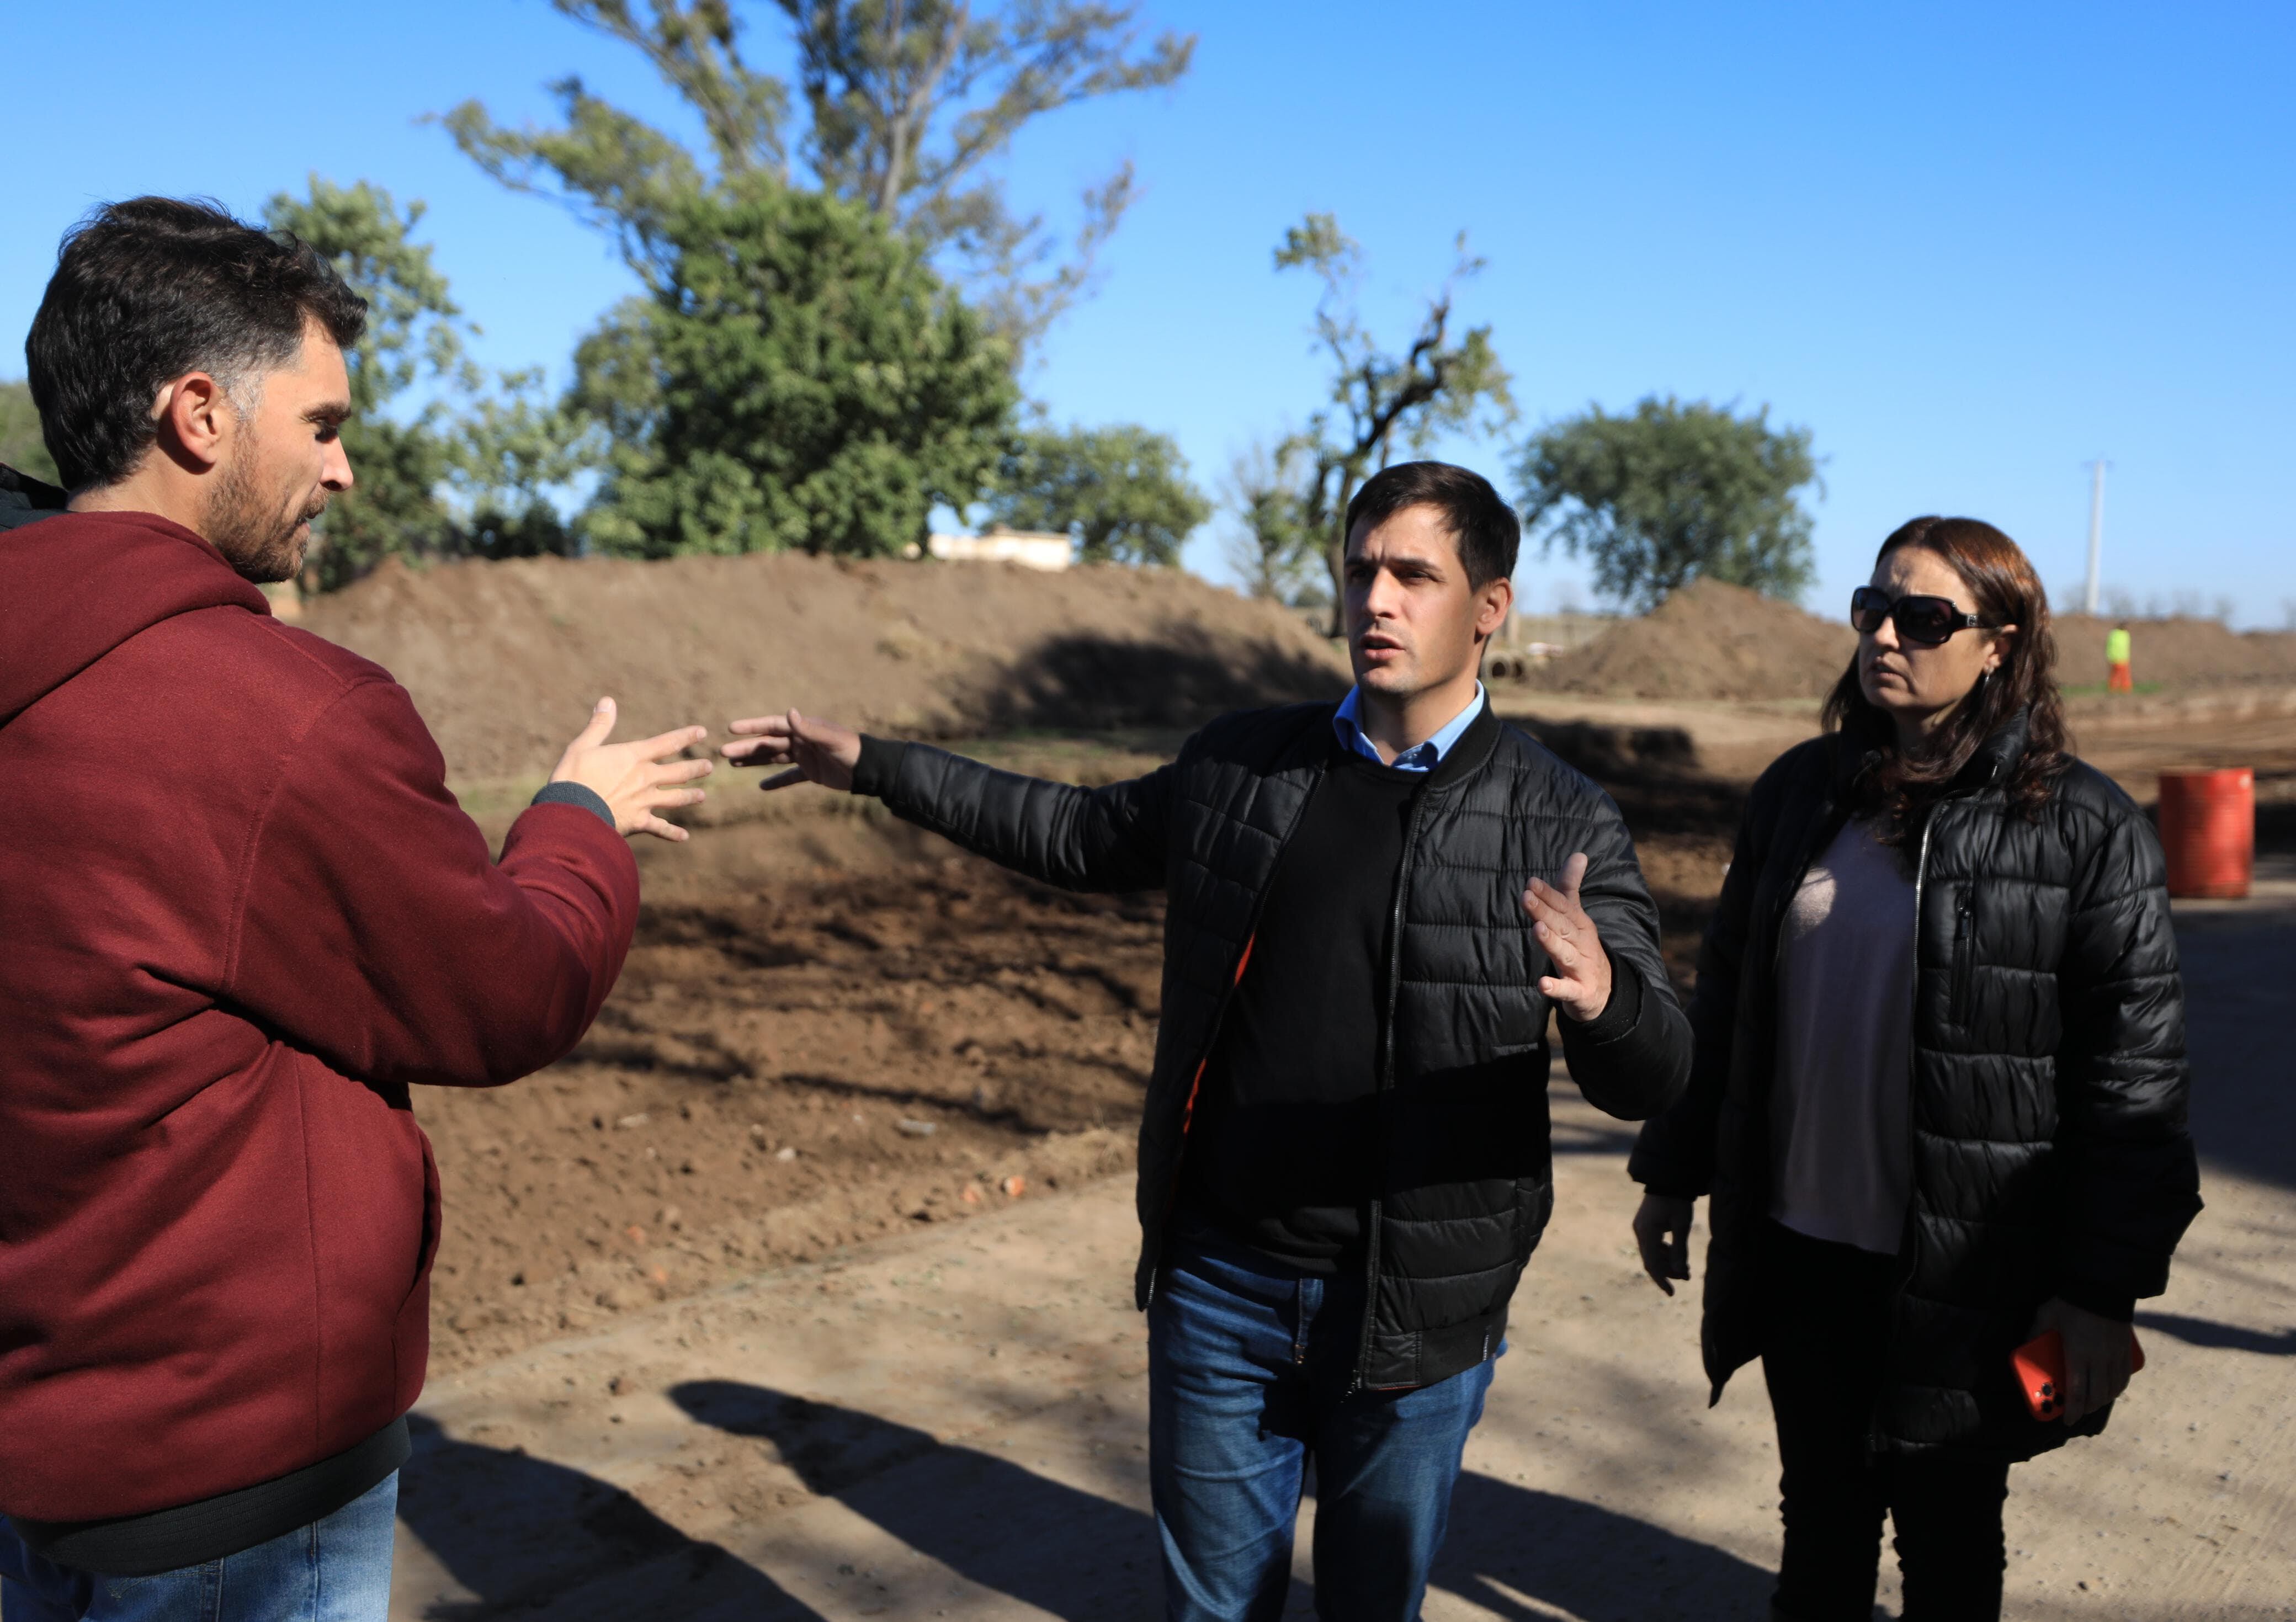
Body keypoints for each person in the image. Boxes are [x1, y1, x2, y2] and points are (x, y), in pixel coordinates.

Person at [726, 461, 1694, 1621]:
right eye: (1359, 572)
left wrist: (1603, 998)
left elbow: (1656, 1068)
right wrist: (880, 768)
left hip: (1413, 1316)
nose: (1375, 600)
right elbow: (1074, 832)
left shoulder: (1561, 814)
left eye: (1413, 575)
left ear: (1489, 605)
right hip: (1220, 1284)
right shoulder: (1247, 763)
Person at [0, 198, 714, 1621]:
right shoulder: (279, 716)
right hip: (230, 1478)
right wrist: (575, 823)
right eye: (321, 423)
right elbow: (501, 987)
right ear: (198, 413)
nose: (344, 467)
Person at [1626, 517, 2201, 1621]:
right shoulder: (1800, 791)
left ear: (1999, 642)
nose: (1885, 634)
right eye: (1871, 608)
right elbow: (1729, 998)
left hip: (1966, 1267)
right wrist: (1673, 1168)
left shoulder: (2083, 826)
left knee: (1947, 1541)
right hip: (1803, 1250)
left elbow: (2135, 1080)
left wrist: (2095, 1289)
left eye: (1923, 617)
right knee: (1821, 1526)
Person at [2106, 620, 2134, 693]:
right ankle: (2124, 689)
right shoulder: (2125, 635)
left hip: (2116, 658)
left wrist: (2110, 656)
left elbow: (2109, 646)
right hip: (2122, 658)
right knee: (2123, 676)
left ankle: (2114, 689)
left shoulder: (2113, 634)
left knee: (2116, 675)